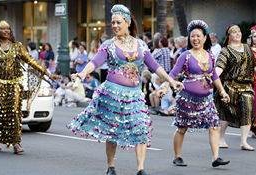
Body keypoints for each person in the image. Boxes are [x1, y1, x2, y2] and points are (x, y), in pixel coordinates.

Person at [67, 5, 183, 175]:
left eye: (118, 22)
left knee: (141, 128)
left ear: (127, 22)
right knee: (112, 130)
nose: (114, 26)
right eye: (113, 23)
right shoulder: (108, 45)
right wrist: (83, 72)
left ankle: (140, 169)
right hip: (113, 93)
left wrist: (171, 80)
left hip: (134, 95)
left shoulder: (141, 45)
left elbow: (155, 66)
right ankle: (110, 166)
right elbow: (96, 62)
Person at [158, 20, 230, 167]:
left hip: (206, 99)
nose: (195, 39)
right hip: (187, 98)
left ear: (205, 38)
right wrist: (165, 87)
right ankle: (177, 156)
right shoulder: (185, 55)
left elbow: (214, 76)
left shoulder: (210, 56)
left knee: (214, 125)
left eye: (198, 36)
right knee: (182, 128)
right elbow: (173, 73)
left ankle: (215, 158)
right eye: (192, 36)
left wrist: (222, 91)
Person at [0, 20, 59, 153]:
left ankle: (16, 143)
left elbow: (30, 60)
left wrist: (47, 74)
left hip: (15, 84)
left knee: (15, 113)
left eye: (8, 28)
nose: (6, 31)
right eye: (3, 29)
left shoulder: (17, 46)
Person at [214, 24, 256, 151]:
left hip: (246, 86)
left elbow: (255, 66)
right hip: (230, 86)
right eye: (234, 32)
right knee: (226, 112)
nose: (238, 33)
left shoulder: (246, 48)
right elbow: (219, 68)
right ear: (229, 36)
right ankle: (221, 139)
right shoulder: (226, 50)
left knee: (247, 111)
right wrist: (213, 77)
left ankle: (244, 142)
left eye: (239, 31)